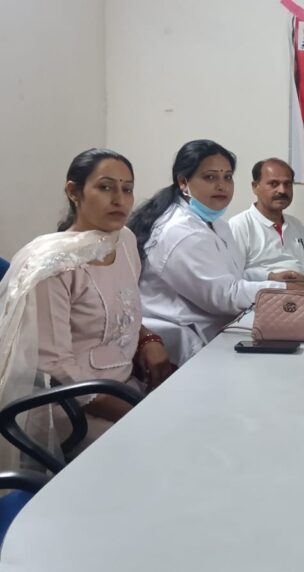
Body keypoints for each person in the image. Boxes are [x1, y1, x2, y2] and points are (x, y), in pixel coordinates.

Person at [0, 149, 178, 465]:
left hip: (123, 388)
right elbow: (56, 368)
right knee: (164, 452)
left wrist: (148, 340)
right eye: (105, 187)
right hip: (69, 407)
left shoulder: (123, 241)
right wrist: (136, 410)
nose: (119, 199)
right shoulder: (52, 266)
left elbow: (122, 311)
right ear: (74, 192)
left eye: (127, 188)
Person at [129, 140, 304, 364]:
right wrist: (285, 289)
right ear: (184, 182)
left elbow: (230, 275)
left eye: (228, 177)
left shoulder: (216, 223)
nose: (222, 186)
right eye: (210, 177)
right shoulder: (180, 231)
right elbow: (223, 296)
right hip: (190, 343)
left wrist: (270, 277)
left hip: (221, 328)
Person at [229, 158, 304, 281]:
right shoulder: (239, 225)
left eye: (287, 184)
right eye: (273, 184)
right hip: (261, 291)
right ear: (255, 187)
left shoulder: (296, 225)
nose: (282, 190)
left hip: (300, 289)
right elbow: (231, 275)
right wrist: (270, 277)